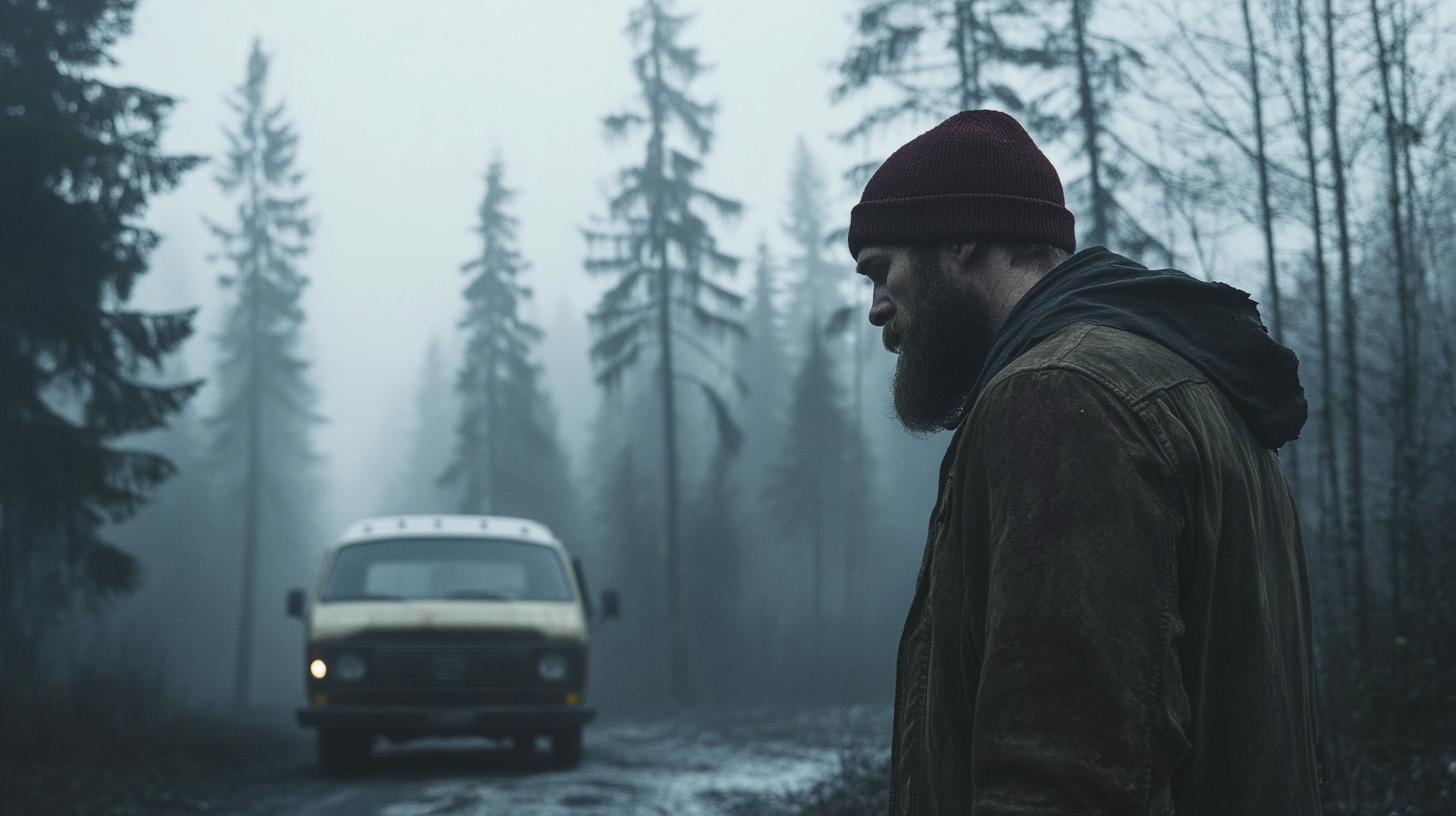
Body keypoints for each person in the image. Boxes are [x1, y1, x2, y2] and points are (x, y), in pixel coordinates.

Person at [849, 110, 1320, 814]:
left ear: (960, 236)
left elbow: (1062, 779)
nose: (877, 309)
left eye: (882, 271)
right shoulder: (1188, 388)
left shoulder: (1063, 397)